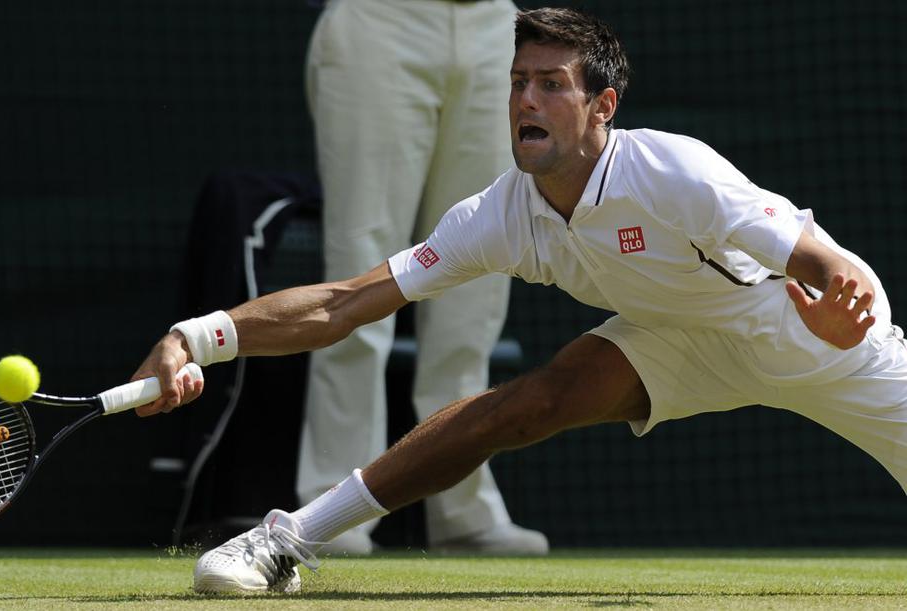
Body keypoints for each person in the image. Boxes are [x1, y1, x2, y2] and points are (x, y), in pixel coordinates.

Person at [134, 8, 905, 595]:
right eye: (517, 83)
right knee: (524, 404)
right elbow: (343, 303)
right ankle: (284, 541)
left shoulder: (675, 172)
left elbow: (826, 259)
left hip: (813, 337)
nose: (525, 100)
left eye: (550, 84)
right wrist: (194, 336)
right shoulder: (496, 215)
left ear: (602, 106)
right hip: (676, 338)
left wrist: (845, 310)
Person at [300, 0, 546, 556]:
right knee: (358, 276)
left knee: (477, 284)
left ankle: (464, 505)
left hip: (494, 29)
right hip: (381, 21)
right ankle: (329, 507)